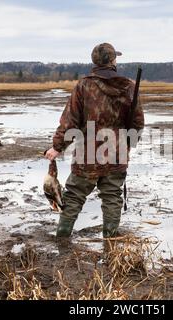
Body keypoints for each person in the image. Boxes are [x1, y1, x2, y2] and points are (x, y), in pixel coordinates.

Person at [45, 43, 144, 238]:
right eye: (115, 58)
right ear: (113, 61)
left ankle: (62, 238)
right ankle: (111, 241)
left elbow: (70, 121)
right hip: (116, 153)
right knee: (112, 197)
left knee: (73, 196)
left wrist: (57, 147)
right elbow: (138, 122)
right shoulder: (128, 87)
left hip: (87, 154)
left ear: (95, 62)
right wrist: (128, 144)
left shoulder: (84, 85)